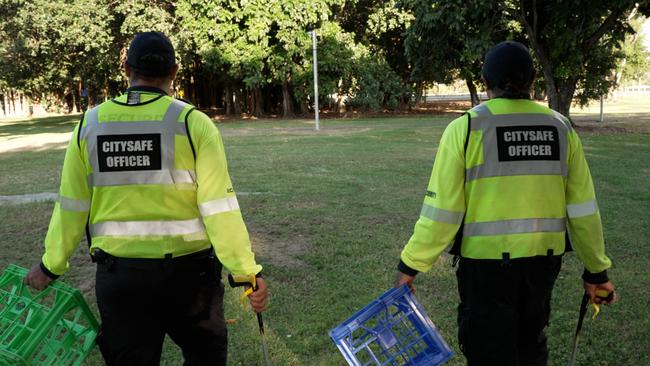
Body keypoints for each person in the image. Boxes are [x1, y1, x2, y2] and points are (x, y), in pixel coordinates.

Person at [24, 31, 268, 366]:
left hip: (121, 281)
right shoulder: (193, 124)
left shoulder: (90, 125)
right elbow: (220, 210)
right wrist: (246, 272)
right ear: (175, 71)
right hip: (190, 280)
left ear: (126, 68)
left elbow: (71, 206)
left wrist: (50, 266)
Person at [394, 41, 617, 365]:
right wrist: (597, 271)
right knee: (530, 346)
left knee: (487, 352)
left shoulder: (467, 128)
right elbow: (583, 210)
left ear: (486, 81)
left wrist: (408, 267)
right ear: (531, 80)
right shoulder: (560, 128)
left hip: (485, 270)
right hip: (542, 265)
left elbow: (441, 215)